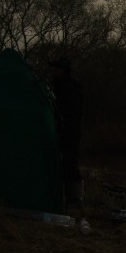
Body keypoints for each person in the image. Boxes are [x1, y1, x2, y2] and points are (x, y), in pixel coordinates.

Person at [48, 57, 84, 210]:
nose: (53, 71)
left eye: (56, 69)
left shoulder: (71, 87)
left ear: (63, 70)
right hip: (57, 132)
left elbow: (73, 114)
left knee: (70, 164)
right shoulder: (54, 85)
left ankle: (75, 201)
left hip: (70, 132)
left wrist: (64, 127)